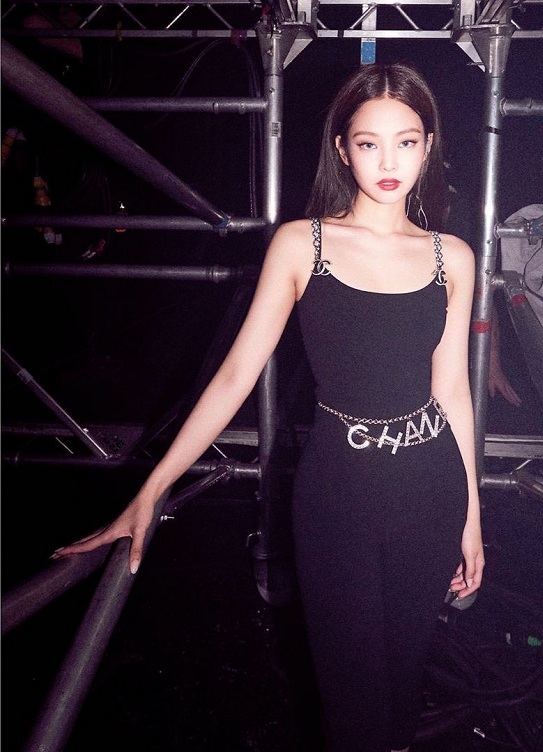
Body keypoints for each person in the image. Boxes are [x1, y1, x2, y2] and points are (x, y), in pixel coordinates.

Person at [52, 62, 485, 752]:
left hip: (431, 487)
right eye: (368, 143)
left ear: (428, 146)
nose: (388, 162)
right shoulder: (301, 244)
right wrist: (153, 487)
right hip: (337, 491)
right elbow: (234, 378)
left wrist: (472, 519)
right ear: (342, 149)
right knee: (352, 699)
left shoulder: (452, 257)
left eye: (406, 142)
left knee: (403, 678)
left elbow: (453, 390)